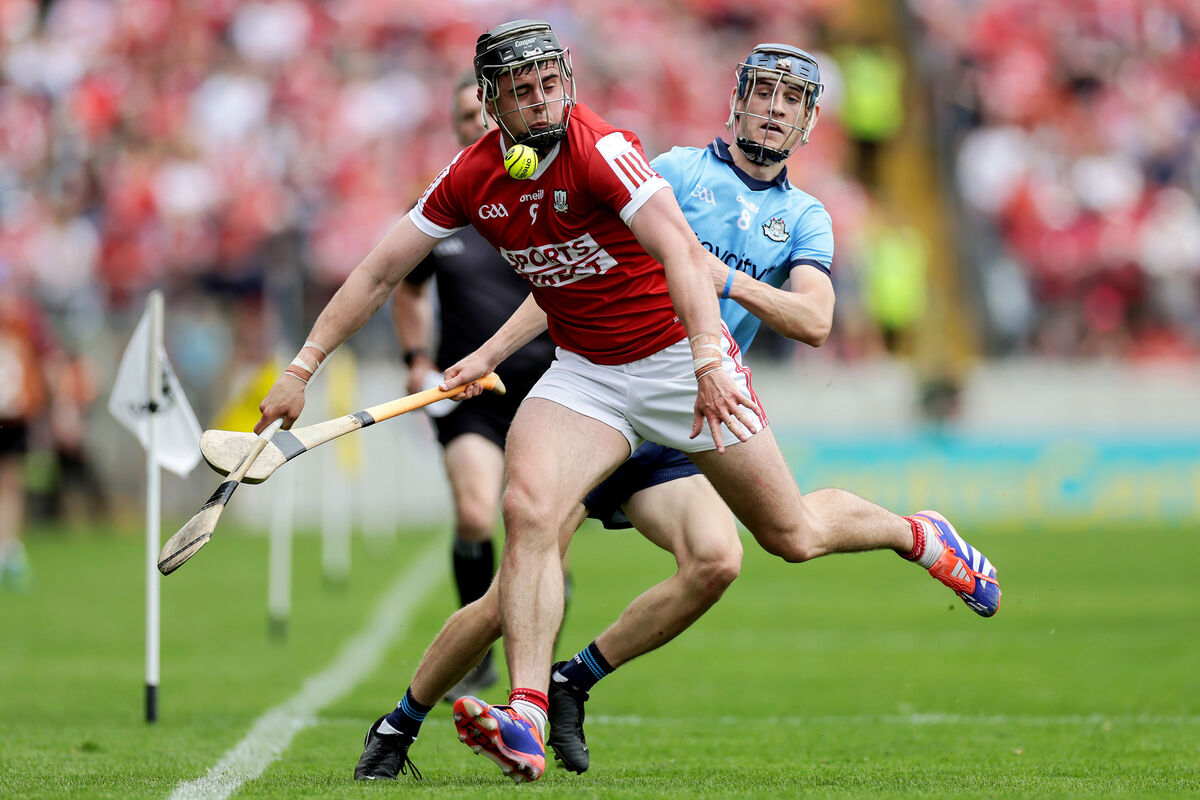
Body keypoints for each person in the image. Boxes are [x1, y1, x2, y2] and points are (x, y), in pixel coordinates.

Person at [254, 21, 1000, 784]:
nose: (541, 102)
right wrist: (305, 366)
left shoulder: (610, 151)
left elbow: (692, 260)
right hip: (586, 375)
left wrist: (709, 358)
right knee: (527, 514)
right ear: (491, 100)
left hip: (681, 369)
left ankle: (916, 534)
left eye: (550, 83)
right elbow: (389, 272)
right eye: (521, 89)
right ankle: (526, 714)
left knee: (789, 536)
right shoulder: (477, 175)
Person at [391, 71, 558, 702]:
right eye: (465, 118)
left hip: (550, 388)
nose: (478, 126)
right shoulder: (445, 203)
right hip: (467, 391)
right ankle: (479, 650)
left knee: (540, 539)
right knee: (472, 511)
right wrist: (414, 357)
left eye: (484, 114)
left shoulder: (549, 193)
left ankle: (533, 677)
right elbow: (404, 289)